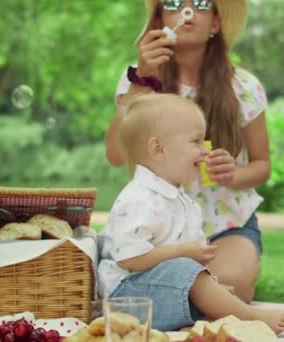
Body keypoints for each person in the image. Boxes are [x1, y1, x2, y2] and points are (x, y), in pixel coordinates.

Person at [105, 0, 269, 304]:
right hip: (159, 233)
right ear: (158, 23)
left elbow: (262, 166)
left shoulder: (243, 86)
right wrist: (141, 79)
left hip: (226, 226)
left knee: (226, 284)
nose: (187, 9)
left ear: (216, 24)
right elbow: (116, 154)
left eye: (201, 3)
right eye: (173, 3)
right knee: (193, 292)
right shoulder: (137, 82)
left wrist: (233, 174)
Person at [97, 93, 284, 332]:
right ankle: (249, 316)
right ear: (158, 150)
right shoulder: (138, 198)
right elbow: (129, 258)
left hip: (159, 287)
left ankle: (216, 308)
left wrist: (208, 286)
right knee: (184, 269)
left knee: (207, 284)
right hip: (128, 297)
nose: (205, 150)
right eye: (196, 141)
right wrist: (183, 254)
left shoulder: (180, 199)